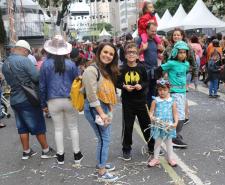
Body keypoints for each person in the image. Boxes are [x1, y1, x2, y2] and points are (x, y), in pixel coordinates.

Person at [2, 40, 56, 159]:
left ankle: (26, 152)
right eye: (27, 53)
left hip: (14, 99)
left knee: (22, 127)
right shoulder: (24, 60)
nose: (28, 55)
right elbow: (36, 78)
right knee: (38, 124)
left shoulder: (5, 63)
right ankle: (46, 150)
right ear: (24, 50)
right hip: (28, 98)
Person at [39, 35, 83, 165]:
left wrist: (43, 104)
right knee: (73, 127)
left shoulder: (45, 65)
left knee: (58, 129)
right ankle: (77, 154)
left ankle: (60, 156)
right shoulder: (71, 64)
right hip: (70, 99)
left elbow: (42, 86)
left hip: (52, 100)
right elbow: (77, 83)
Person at [82, 42, 119, 182]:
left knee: (104, 138)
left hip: (103, 108)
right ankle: (102, 172)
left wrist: (109, 109)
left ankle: (101, 164)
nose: (108, 56)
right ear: (99, 53)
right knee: (105, 139)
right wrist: (102, 114)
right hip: (94, 109)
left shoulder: (104, 69)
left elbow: (106, 91)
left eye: (111, 54)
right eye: (105, 52)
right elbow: (92, 96)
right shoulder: (91, 70)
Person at [117, 43, 155, 161]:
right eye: (129, 52)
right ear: (125, 55)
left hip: (141, 101)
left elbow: (146, 82)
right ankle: (126, 148)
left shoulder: (142, 67)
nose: (131, 54)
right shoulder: (121, 69)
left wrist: (141, 85)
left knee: (146, 125)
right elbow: (117, 82)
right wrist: (124, 87)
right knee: (128, 126)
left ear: (137, 55)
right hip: (128, 102)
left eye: (134, 52)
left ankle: (152, 146)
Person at [158, 41, 190, 148]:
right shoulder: (171, 63)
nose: (182, 54)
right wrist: (161, 82)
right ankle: (174, 137)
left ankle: (175, 134)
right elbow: (160, 69)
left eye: (184, 52)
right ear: (175, 52)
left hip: (183, 93)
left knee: (180, 115)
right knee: (179, 116)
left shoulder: (186, 64)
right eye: (180, 52)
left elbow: (184, 75)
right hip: (174, 93)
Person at [148, 79, 178, 167]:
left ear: (168, 90)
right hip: (158, 126)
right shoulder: (155, 101)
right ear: (157, 90)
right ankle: (156, 159)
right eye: (160, 90)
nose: (162, 92)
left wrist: (175, 122)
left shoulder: (172, 101)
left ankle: (170, 158)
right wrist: (152, 118)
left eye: (164, 90)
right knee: (157, 142)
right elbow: (150, 112)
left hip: (168, 126)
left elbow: (175, 113)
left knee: (169, 142)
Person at [138, 22, 159, 107]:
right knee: (145, 92)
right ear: (147, 30)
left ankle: (151, 110)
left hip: (154, 70)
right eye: (152, 31)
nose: (154, 33)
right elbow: (134, 54)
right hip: (145, 71)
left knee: (153, 91)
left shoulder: (155, 40)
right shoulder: (140, 40)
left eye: (155, 31)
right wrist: (142, 49)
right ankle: (145, 111)